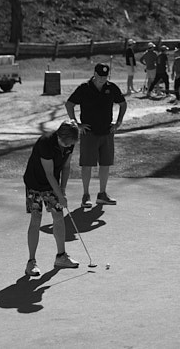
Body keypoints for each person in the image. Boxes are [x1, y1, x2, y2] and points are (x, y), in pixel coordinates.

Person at [65, 63, 127, 208]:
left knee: (105, 164)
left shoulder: (111, 88)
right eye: (99, 76)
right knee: (87, 165)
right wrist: (76, 124)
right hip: (89, 133)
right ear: (94, 74)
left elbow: (123, 104)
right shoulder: (84, 88)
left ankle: (102, 194)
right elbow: (69, 105)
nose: (101, 80)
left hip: (107, 132)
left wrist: (118, 123)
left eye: (104, 77)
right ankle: (86, 195)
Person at [24, 120, 81, 276]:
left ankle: (61, 257)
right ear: (60, 136)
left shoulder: (70, 142)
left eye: (72, 144)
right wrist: (60, 195)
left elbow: (66, 166)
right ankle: (31, 262)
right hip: (35, 183)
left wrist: (62, 190)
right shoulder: (45, 143)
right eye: (67, 143)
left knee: (58, 217)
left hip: (52, 184)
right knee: (36, 219)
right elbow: (49, 173)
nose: (69, 146)